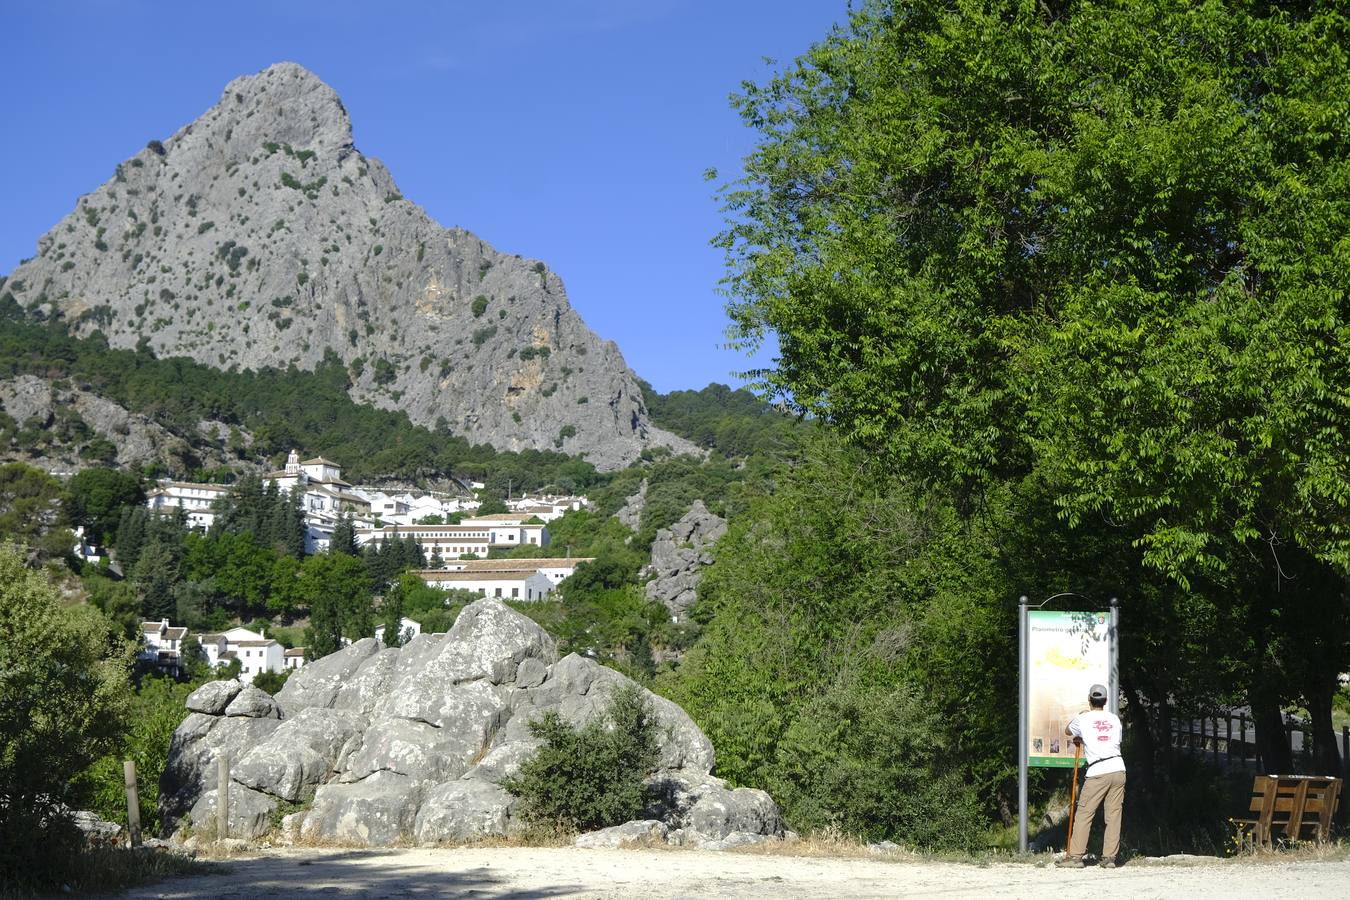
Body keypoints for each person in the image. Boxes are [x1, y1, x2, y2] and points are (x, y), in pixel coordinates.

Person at [1056, 683, 1125, 868]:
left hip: (1098, 771)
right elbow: (1114, 741)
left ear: (1089, 700)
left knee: (1085, 813)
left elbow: (1068, 731)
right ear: (1106, 701)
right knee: (1114, 815)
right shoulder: (1114, 719)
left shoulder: (1083, 718)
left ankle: (1075, 857)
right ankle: (1109, 858)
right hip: (1118, 768)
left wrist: (1082, 734)